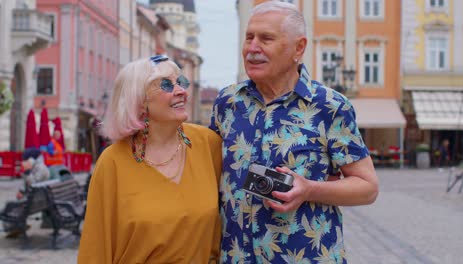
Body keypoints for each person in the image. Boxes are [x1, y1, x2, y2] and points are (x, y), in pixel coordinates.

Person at [209, 1, 379, 263]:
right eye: (249, 37)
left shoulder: (329, 106)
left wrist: (309, 189)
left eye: (266, 38)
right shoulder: (228, 103)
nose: (253, 48)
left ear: (298, 47)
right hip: (236, 257)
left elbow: (367, 188)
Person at [78, 55, 222, 263]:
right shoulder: (113, 161)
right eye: (166, 85)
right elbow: (96, 245)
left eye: (181, 82)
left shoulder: (208, 144)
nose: (181, 91)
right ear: (139, 101)